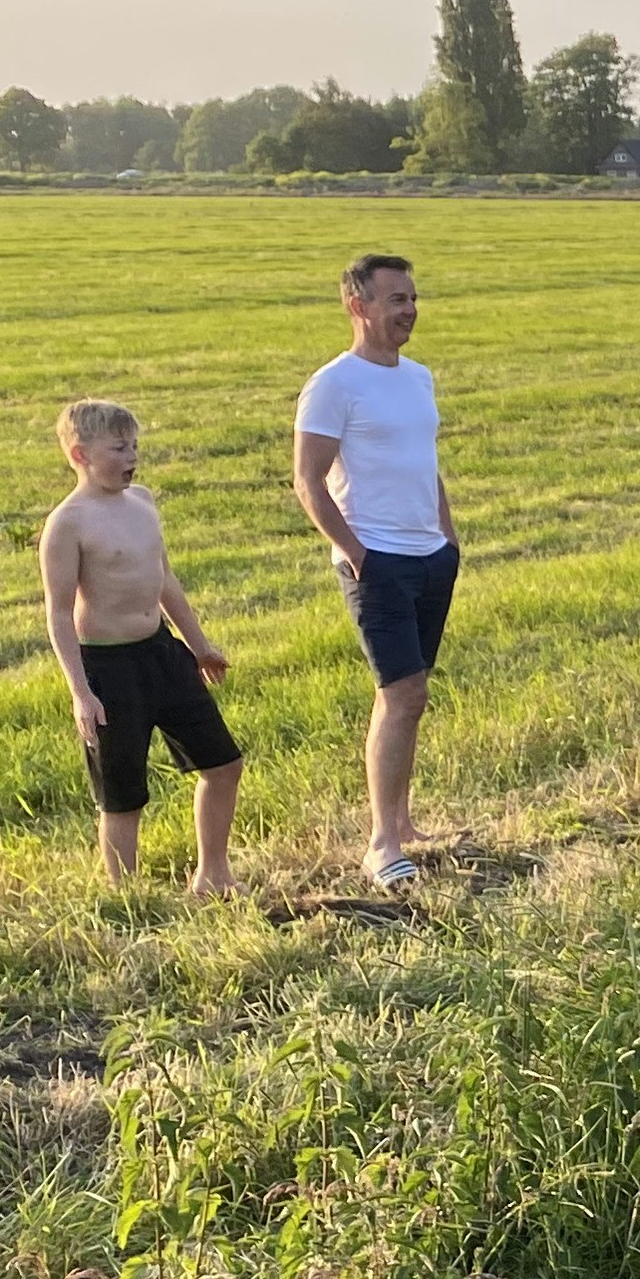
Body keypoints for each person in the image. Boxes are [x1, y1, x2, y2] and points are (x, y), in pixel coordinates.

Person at [293, 254, 457, 891]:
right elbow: (308, 482)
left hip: (430, 558)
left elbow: (425, 461)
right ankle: (381, 845)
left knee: (412, 697)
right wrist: (357, 554)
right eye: (396, 299)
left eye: (413, 298)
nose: (409, 310)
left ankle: (404, 823)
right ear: (357, 306)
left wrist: (448, 537)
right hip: (377, 563)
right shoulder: (333, 384)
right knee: (401, 694)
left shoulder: (418, 377)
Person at [41, 397, 242, 896]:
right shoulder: (67, 524)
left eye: (134, 445)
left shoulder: (144, 502)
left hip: (162, 655)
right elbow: (59, 614)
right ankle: (127, 898)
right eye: (118, 448)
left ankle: (213, 874)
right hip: (108, 671)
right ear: (80, 455)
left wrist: (198, 646)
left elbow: (164, 579)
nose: (132, 456)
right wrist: (81, 693)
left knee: (223, 765)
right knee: (122, 796)